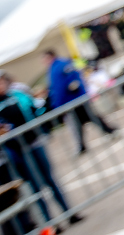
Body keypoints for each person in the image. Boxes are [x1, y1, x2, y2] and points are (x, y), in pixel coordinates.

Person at [0, 70, 81, 226]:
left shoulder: (17, 94)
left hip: (35, 142)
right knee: (35, 187)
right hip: (19, 152)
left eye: (2, 81)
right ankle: (49, 224)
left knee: (50, 180)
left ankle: (69, 213)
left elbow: (35, 109)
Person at [43, 50, 116, 154]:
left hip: (75, 100)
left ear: (50, 56)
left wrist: (72, 90)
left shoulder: (61, 64)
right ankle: (83, 145)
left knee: (87, 118)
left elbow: (72, 79)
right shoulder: (53, 68)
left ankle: (106, 132)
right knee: (80, 122)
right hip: (69, 101)